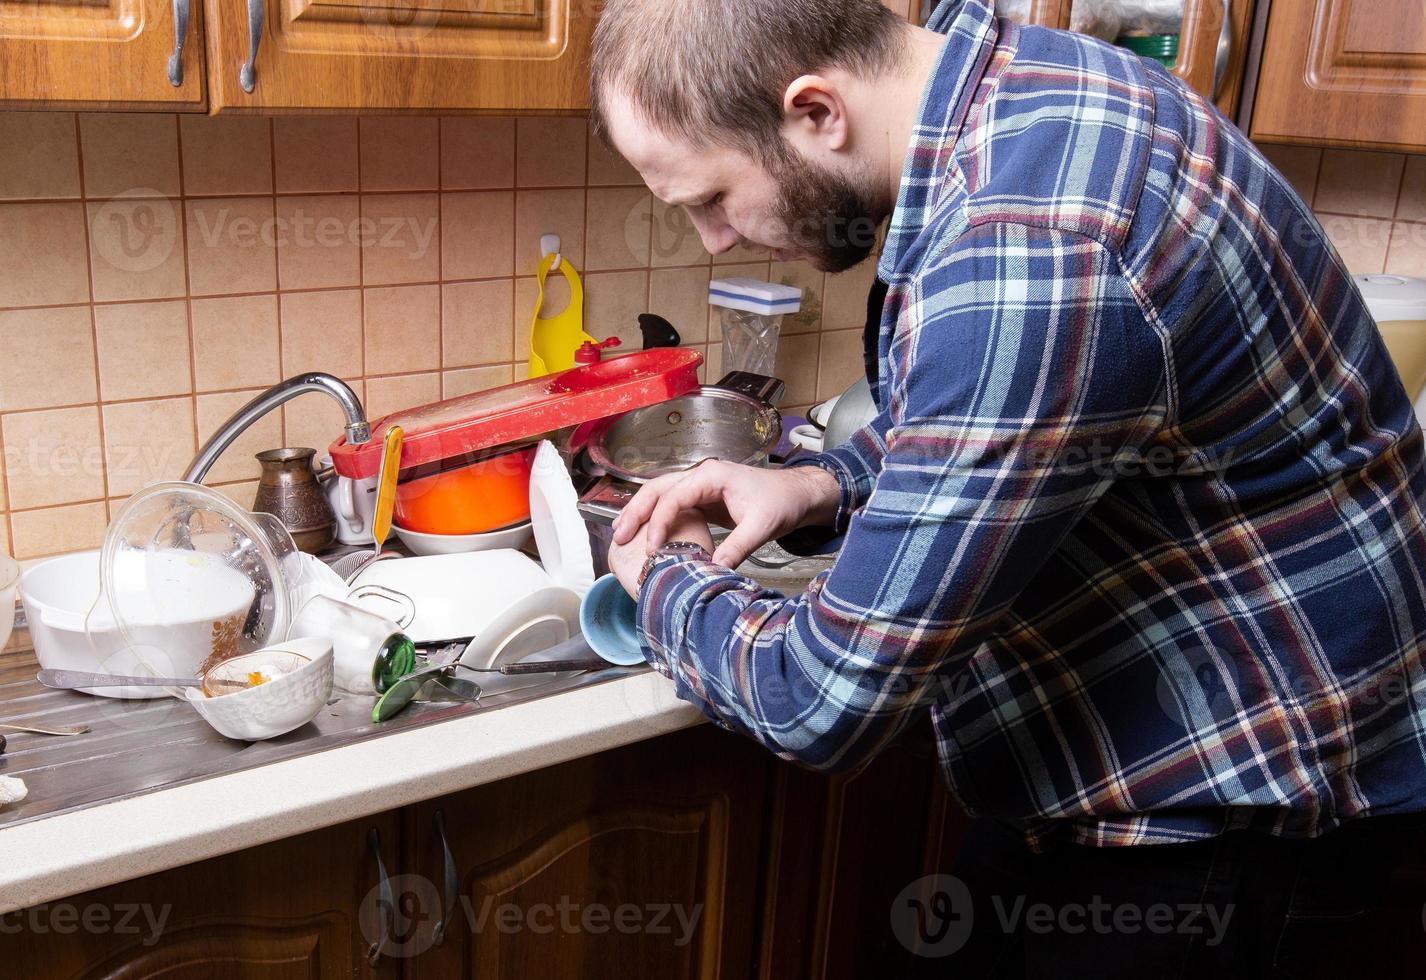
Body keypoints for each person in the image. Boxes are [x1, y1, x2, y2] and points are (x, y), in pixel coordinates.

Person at [591, 0, 1426, 974]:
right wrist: (821, 482)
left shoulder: (1031, 241)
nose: (713, 242)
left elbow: (820, 698)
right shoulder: (1007, 95)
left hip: (1235, 829)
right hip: (1140, 772)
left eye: (710, 198)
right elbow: (992, 419)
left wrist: (663, 577)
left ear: (817, 110)